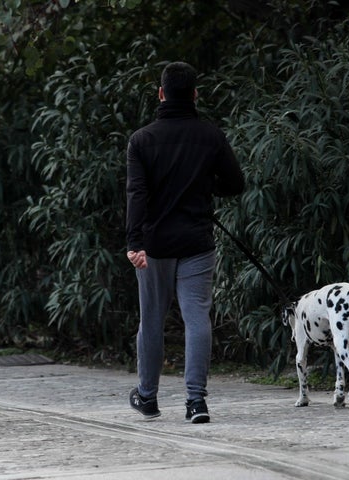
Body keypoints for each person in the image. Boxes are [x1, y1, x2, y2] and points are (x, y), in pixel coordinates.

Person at [125, 61, 245, 423]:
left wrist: (134, 241)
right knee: (197, 319)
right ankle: (197, 402)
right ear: (194, 94)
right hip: (197, 242)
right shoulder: (210, 135)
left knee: (152, 321)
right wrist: (207, 187)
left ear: (161, 94)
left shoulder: (141, 140)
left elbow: (137, 193)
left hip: (154, 245)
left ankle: (147, 397)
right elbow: (236, 184)